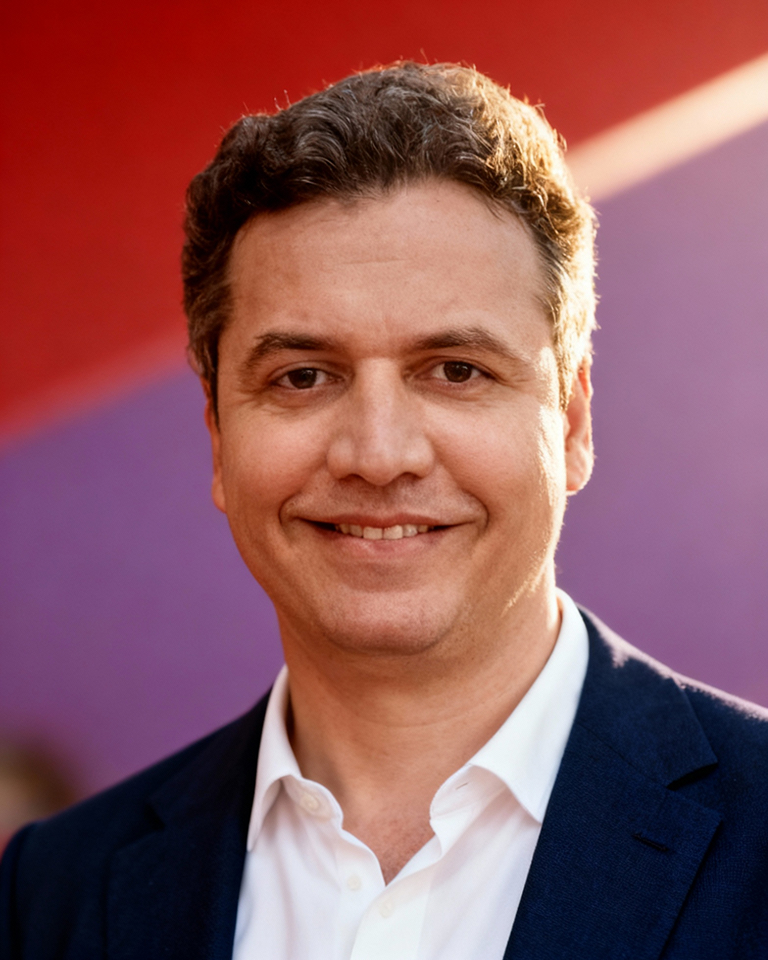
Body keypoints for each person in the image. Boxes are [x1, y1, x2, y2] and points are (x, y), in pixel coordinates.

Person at [2, 61, 767, 960]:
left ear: (570, 422)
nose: (377, 454)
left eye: (455, 370)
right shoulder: (54, 895)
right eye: (303, 377)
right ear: (217, 439)